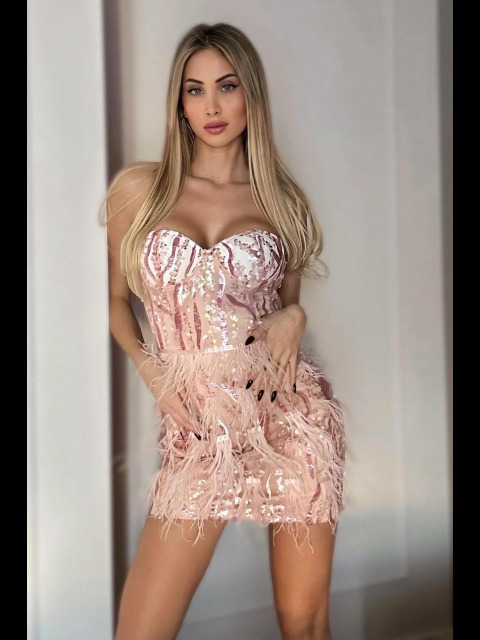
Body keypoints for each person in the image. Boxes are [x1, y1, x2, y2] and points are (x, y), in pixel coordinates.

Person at [105, 22, 346, 640]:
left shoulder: (281, 201)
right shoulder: (139, 190)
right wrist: (152, 371)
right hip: (197, 428)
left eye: (227, 86)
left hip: (286, 416)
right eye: (195, 90)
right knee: (139, 632)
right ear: (180, 104)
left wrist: (296, 316)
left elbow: (286, 315)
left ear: (250, 96)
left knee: (305, 623)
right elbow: (116, 304)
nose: (211, 106)